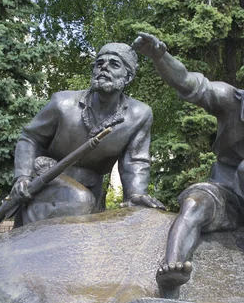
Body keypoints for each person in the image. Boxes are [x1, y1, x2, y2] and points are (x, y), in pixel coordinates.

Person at [132, 33, 244, 295]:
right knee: (193, 204)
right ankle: (172, 269)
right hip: (224, 191)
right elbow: (189, 84)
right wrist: (160, 56)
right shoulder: (228, 99)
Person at [11, 43, 164, 226]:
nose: (104, 67)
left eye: (114, 64)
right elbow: (30, 138)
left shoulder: (139, 115)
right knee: (80, 202)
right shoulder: (62, 103)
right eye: (99, 63)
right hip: (47, 180)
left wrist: (135, 194)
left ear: (128, 77)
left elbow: (135, 161)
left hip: (92, 189)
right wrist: (23, 176)